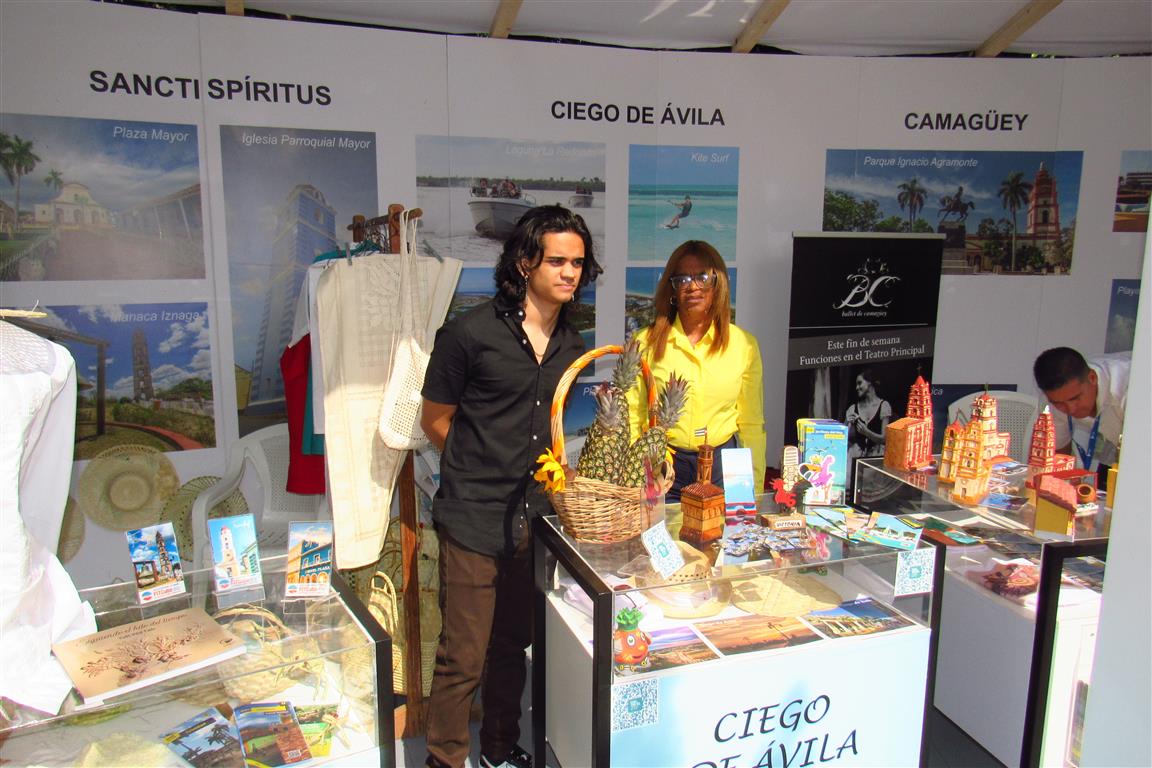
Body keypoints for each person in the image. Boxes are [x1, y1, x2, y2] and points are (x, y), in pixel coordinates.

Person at [419, 205, 601, 768]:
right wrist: (479, 467)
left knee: (510, 647)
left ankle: (498, 750)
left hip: (537, 520)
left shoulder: (573, 344)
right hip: (474, 518)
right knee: (462, 657)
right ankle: (444, 760)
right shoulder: (468, 334)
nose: (569, 273)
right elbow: (435, 419)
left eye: (577, 263)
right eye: (557, 261)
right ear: (525, 263)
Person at [627, 239, 766, 502]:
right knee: (663, 530)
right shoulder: (644, 342)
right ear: (672, 289)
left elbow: (752, 423)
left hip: (723, 468)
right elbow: (634, 414)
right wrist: (636, 473)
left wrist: (755, 488)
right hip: (663, 466)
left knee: (724, 530)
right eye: (682, 279)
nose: (692, 286)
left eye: (702, 277)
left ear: (717, 285)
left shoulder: (744, 345)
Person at [1033, 347, 1130, 482]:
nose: (1071, 409)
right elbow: (1059, 454)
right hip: (1115, 451)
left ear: (1092, 378)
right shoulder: (1051, 401)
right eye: (1059, 403)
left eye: (1075, 398)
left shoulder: (1128, 389)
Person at [845, 368, 892, 467]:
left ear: (869, 382)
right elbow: (843, 437)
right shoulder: (853, 408)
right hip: (856, 454)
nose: (857, 387)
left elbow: (884, 439)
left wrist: (866, 432)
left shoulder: (883, 406)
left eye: (859, 383)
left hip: (876, 456)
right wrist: (847, 423)